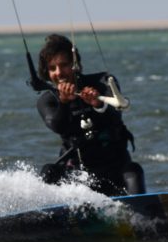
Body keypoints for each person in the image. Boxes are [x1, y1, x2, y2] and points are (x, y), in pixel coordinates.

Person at [35, 34, 146, 196]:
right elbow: (58, 126)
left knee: (134, 170)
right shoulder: (47, 100)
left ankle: (142, 214)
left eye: (64, 65)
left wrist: (98, 104)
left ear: (75, 64)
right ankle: (51, 218)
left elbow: (116, 114)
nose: (59, 73)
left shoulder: (103, 82)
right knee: (48, 172)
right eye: (52, 68)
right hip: (80, 174)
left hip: (115, 167)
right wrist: (64, 103)